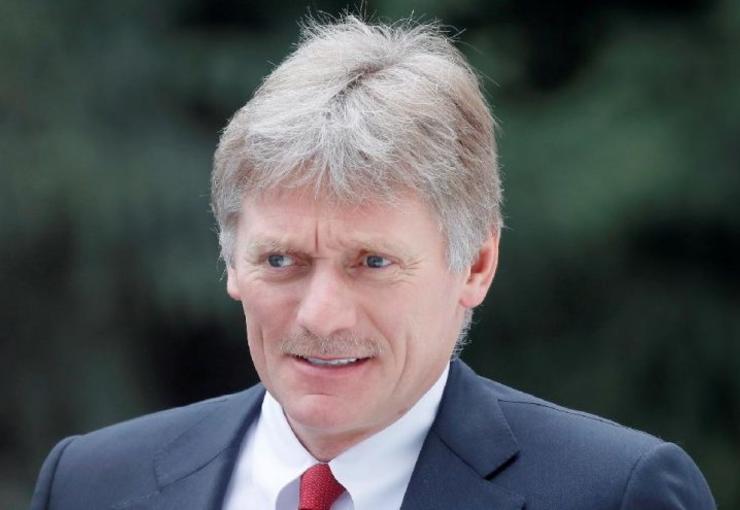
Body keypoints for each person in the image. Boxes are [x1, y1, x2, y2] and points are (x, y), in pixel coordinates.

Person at [31, 15, 715, 510]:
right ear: (231, 261)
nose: (321, 316)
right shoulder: (91, 484)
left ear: (476, 265)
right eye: (281, 259)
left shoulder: (616, 493)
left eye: (372, 262)